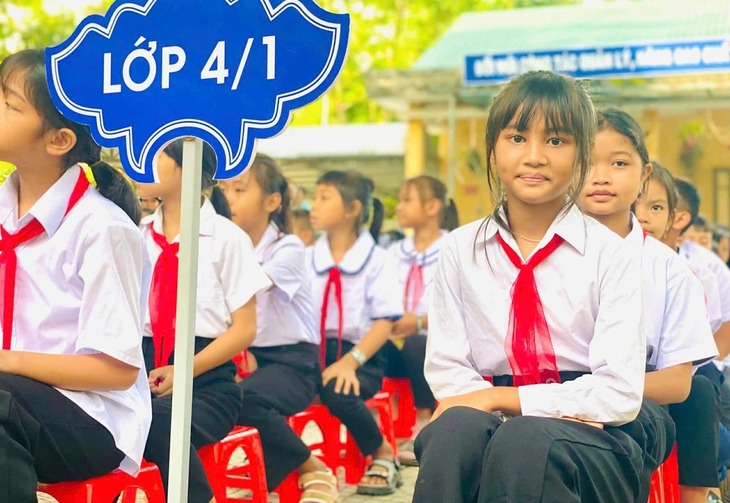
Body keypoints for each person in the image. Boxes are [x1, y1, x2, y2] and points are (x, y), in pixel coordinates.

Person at [414, 71, 647, 502]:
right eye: (517, 138)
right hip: (486, 412)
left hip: (590, 433)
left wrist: (508, 401)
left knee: (525, 441)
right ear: (493, 148)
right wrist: (494, 405)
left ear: (581, 153)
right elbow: (447, 368)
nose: (534, 156)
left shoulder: (611, 255)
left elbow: (618, 392)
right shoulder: (461, 249)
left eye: (556, 140)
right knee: (452, 431)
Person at [0, 48, 151, 501]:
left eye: (9, 104)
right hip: (15, 394)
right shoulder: (5, 212)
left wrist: (7, 361)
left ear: (58, 140)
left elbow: (116, 370)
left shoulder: (101, 228)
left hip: (92, 417)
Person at [582, 109, 718, 502]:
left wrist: (590, 396)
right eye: (587, 163)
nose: (601, 176)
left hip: (636, 402)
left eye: (618, 163)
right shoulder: (539, 257)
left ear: (644, 175)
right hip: (547, 397)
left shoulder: (670, 270)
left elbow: (676, 382)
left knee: (700, 394)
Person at [137, 139, 271, 503]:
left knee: (156, 420)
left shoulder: (227, 239)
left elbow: (245, 329)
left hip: (207, 384)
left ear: (188, 164)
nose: (139, 161)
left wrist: (182, 372)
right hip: (140, 374)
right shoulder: (136, 234)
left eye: (154, 153)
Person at [219, 154, 337, 501]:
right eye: (223, 189)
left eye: (239, 189)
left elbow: (245, 287)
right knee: (208, 400)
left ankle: (313, 468)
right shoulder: (226, 246)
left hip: (293, 364)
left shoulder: (288, 247)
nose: (228, 198)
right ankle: (251, 481)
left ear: (272, 202)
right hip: (246, 357)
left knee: (242, 400)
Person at [308, 170, 403, 495]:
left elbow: (384, 323)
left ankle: (382, 452)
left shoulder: (378, 260)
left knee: (337, 389)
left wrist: (351, 362)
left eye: (324, 197)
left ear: (352, 209)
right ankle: (304, 467)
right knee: (275, 391)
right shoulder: (307, 257)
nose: (314, 205)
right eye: (315, 197)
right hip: (314, 351)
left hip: (363, 354)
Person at [636, 164, 726, 503]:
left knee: (700, 393)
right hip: (595, 377)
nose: (643, 216)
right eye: (635, 204)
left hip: (669, 375)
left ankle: (699, 495)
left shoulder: (683, 271)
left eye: (656, 207)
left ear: (675, 218)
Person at [383, 174, 458, 466]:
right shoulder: (394, 252)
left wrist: (420, 321)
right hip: (393, 338)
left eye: (407, 200)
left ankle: (424, 422)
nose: (399, 207)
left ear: (432, 207)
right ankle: (374, 424)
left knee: (417, 344)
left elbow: (460, 305)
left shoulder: (453, 247)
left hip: (434, 344)